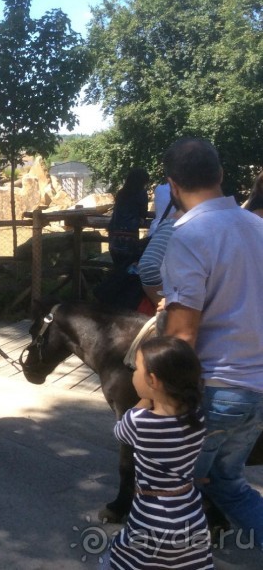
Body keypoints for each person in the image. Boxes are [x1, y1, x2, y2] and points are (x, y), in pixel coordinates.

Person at [161, 137, 263, 548]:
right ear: (220, 174)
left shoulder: (189, 236)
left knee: (171, 489)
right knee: (228, 483)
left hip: (216, 389)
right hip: (257, 390)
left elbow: (183, 334)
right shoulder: (258, 227)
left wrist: (159, 400)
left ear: (172, 185)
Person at [105, 336, 213, 569]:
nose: (132, 373)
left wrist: (145, 400)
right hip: (190, 514)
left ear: (153, 380)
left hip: (149, 519)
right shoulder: (197, 416)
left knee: (114, 561)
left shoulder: (139, 421)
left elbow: (120, 433)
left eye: (136, 369)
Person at [107, 168, 149, 271]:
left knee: (117, 268)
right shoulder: (141, 193)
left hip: (114, 234)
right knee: (128, 269)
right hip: (130, 236)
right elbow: (143, 213)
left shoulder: (121, 193)